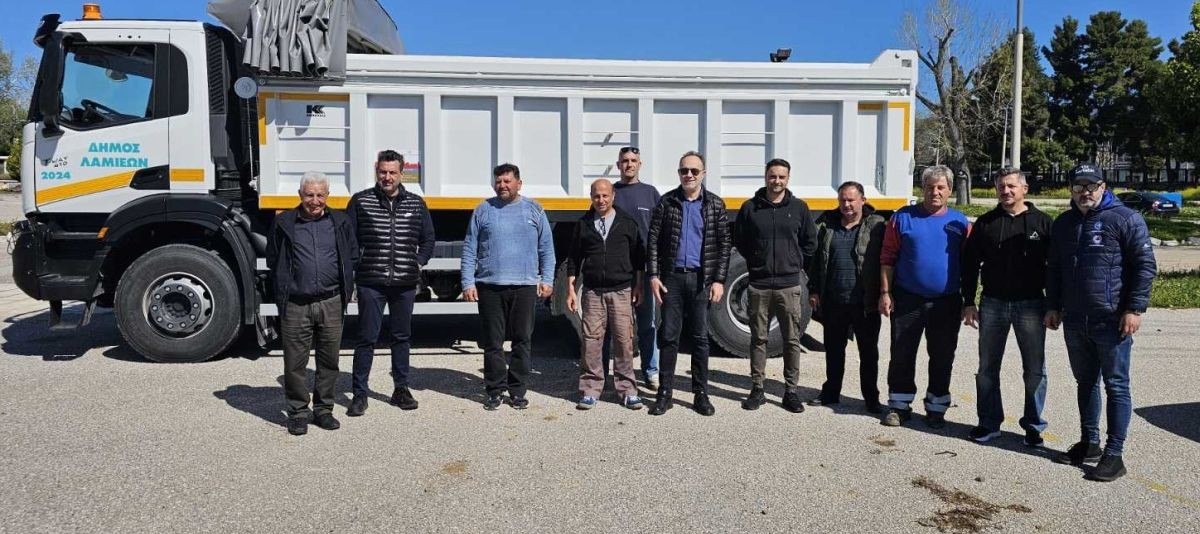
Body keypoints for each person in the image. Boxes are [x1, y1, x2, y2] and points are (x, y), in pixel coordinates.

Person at [1045, 163, 1156, 482]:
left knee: (1116, 385)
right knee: (1085, 383)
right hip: (1075, 319)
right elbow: (1054, 268)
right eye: (1078, 187)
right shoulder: (1064, 224)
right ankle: (1090, 443)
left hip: (1112, 320)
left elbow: (1145, 266)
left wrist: (1134, 308)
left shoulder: (1125, 219)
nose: (1085, 192)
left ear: (1103, 187)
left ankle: (1114, 454)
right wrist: (1053, 306)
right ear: (1071, 190)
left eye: (1091, 186)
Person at [960, 168, 1053, 446]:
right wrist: (968, 302)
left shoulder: (1043, 223)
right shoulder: (986, 223)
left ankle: (1033, 426)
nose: (1006, 191)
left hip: (1032, 304)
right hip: (993, 303)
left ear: (1024, 189)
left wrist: (1054, 305)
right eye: (1001, 186)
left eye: (1011, 186)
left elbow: (1055, 268)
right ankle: (988, 423)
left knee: (1034, 370)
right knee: (987, 368)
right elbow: (969, 265)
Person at [267, 171, 359, 436]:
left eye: (320, 195)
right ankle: (298, 412)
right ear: (300, 195)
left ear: (328, 195)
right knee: (295, 362)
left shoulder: (340, 221)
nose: (315, 201)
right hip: (296, 304)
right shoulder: (284, 222)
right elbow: (273, 258)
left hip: (331, 301)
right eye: (309, 195)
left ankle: (323, 410)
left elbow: (352, 255)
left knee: (329, 361)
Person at [878, 165, 970, 429]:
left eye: (941, 187)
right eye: (930, 187)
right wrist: (885, 292)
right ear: (922, 189)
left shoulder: (960, 223)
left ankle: (936, 407)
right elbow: (887, 258)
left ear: (950, 190)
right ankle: (899, 405)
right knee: (902, 353)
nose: (935, 192)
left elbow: (969, 264)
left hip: (946, 301)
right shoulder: (902, 218)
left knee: (942, 356)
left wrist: (969, 301)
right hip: (908, 298)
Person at [345, 150, 435, 416]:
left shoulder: (416, 204)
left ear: (401, 173)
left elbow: (428, 239)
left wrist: (418, 262)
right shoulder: (361, 201)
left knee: (401, 337)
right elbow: (349, 240)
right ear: (377, 171)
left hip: (404, 283)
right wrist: (357, 269)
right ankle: (359, 394)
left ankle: (401, 389)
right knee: (366, 338)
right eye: (383, 172)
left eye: (392, 172)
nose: (387, 177)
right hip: (371, 282)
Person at [461, 163, 556, 411]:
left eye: (507, 181)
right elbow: (470, 248)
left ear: (519, 183)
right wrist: (468, 282)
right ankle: (494, 390)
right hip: (490, 286)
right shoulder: (483, 210)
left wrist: (547, 279)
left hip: (524, 286)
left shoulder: (534, 210)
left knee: (522, 340)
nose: (502, 185)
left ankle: (517, 391)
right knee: (492, 342)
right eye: (498, 181)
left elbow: (546, 248)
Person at [646, 151, 731, 416]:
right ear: (679, 173)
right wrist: (653, 275)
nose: (689, 175)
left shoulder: (715, 204)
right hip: (671, 279)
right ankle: (665, 393)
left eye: (694, 171)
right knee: (668, 336)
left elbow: (724, 245)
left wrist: (719, 280)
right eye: (684, 170)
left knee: (700, 338)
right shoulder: (667, 202)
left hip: (701, 280)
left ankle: (701, 394)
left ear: (703, 173)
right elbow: (653, 241)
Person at [732, 158, 817, 412]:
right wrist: (757, 261)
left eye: (781, 177)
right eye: (772, 176)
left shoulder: (799, 208)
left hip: (789, 285)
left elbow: (810, 243)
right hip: (758, 285)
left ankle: (790, 391)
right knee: (758, 339)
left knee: (791, 339)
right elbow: (741, 240)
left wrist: (794, 262)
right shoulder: (750, 208)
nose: (776, 181)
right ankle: (757, 389)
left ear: (788, 179)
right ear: (765, 176)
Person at [567, 179, 646, 410]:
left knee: (624, 341)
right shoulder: (583, 224)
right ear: (591, 197)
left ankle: (627, 390)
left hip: (621, 291)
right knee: (591, 342)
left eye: (605, 195)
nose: (600, 200)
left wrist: (638, 285)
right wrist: (571, 289)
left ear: (613, 196)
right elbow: (574, 259)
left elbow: (639, 259)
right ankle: (590, 390)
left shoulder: (627, 223)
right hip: (593, 292)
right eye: (596, 196)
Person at [807, 181, 885, 413]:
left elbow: (887, 261)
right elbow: (816, 261)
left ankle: (871, 398)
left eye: (851, 200)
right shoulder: (827, 225)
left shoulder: (877, 226)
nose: (847, 204)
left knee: (868, 354)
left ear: (863, 200)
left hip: (865, 303)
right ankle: (831, 392)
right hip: (834, 301)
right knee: (834, 351)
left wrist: (885, 293)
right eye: (843, 200)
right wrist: (814, 289)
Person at [610, 146, 662, 389]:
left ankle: (651, 371)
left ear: (640, 164)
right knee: (617, 326)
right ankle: (619, 373)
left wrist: (656, 267)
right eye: (624, 161)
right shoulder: (610, 193)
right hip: (617, 270)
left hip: (645, 269)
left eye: (633, 160)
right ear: (618, 165)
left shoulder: (651, 194)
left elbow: (660, 232)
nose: (629, 164)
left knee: (647, 323)